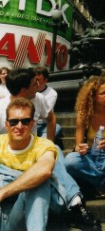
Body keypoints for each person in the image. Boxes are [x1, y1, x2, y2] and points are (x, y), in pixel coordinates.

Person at [2, 68, 101, 231]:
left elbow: (50, 117)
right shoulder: (1, 109)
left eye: (26, 121)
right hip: (10, 164)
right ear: (23, 90)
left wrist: (47, 143)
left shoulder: (38, 98)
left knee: (52, 151)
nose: (40, 86)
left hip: (34, 156)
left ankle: (75, 204)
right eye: (35, 84)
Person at [64, 76, 105, 231]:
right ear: (92, 96)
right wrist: (81, 148)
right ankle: (104, 183)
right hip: (92, 158)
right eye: (103, 93)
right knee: (69, 160)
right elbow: (77, 145)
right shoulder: (84, 114)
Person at [0, 97, 57, 231]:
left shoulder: (44, 145)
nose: (19, 127)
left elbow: (44, 170)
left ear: (32, 124)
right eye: (14, 122)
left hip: (20, 214)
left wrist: (3, 192)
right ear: (7, 124)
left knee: (39, 180)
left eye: (25, 121)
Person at [35, 66, 63, 147]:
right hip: (31, 124)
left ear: (45, 80)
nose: (36, 82)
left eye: (38, 80)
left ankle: (42, 145)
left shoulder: (52, 93)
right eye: (34, 80)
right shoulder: (29, 90)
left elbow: (46, 113)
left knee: (57, 127)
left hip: (45, 124)